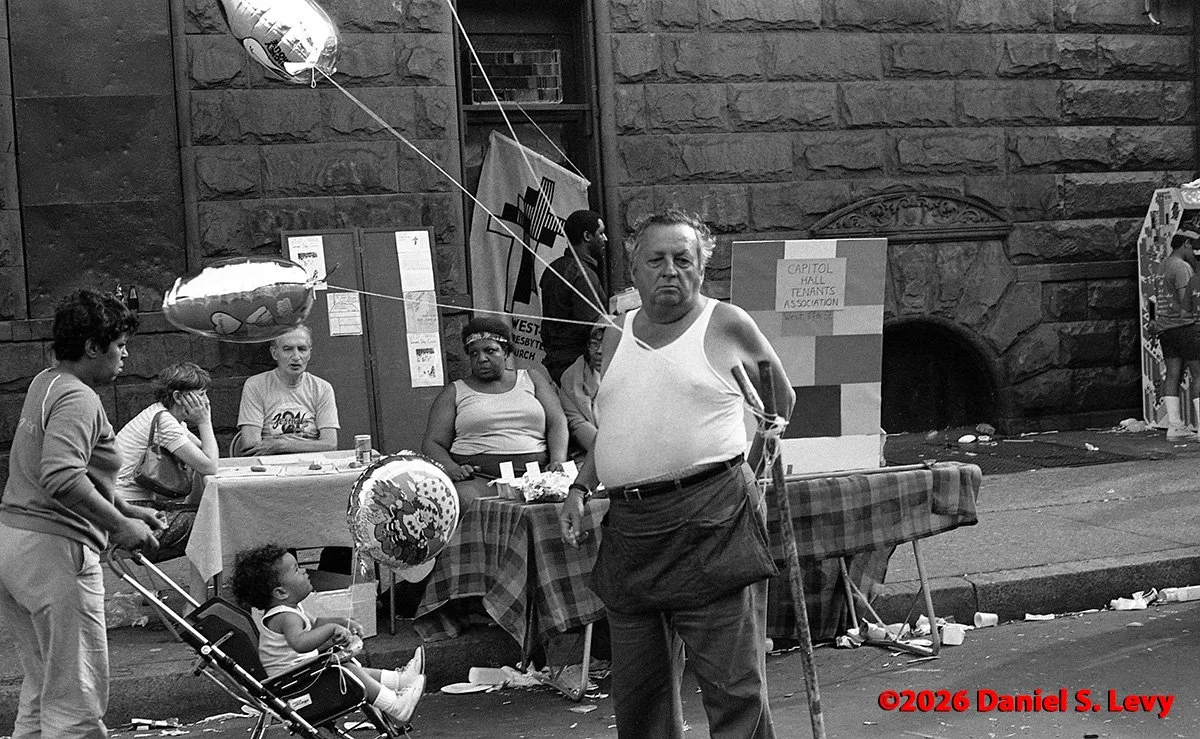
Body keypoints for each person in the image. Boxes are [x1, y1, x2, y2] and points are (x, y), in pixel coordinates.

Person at [559, 209, 794, 739]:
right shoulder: (616, 334)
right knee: (639, 692)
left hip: (711, 521)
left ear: (701, 269)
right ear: (635, 273)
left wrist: (751, 472)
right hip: (632, 531)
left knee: (732, 686)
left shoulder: (725, 322)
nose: (670, 270)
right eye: (656, 260)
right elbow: (615, 430)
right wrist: (580, 486)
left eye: (683, 260)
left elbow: (780, 404)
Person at [0, 288, 163, 737]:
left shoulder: (45, 382)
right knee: (75, 699)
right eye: (120, 345)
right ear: (93, 347)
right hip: (54, 551)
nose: (125, 355)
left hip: (15, 545)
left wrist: (126, 507)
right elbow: (61, 477)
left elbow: (71, 470)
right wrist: (121, 525)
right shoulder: (79, 398)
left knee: (43, 690)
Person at [229, 544, 426, 724]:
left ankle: (400, 680)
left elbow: (316, 623)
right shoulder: (284, 617)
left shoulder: (291, 609)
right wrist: (332, 630)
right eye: (297, 570)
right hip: (293, 685)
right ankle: (395, 705)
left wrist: (342, 622)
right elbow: (300, 643)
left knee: (346, 665)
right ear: (281, 593)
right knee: (345, 669)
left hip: (300, 675)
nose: (305, 572)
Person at [422, 317, 569, 507]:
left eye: (490, 350)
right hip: (479, 479)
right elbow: (432, 442)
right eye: (474, 353)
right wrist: (452, 468)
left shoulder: (531, 379)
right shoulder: (455, 391)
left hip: (534, 476)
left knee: (556, 505)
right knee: (468, 504)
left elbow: (558, 422)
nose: (481, 358)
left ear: (506, 352)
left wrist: (558, 460)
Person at [115, 362, 219, 563]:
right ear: (179, 397)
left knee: (206, 514)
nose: (206, 402)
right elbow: (210, 466)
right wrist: (205, 422)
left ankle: (203, 589)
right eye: (201, 394)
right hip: (131, 518)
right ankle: (203, 590)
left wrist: (203, 423)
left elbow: (203, 451)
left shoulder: (164, 415)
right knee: (214, 521)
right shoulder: (164, 422)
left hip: (131, 509)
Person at [236, 325, 339, 456]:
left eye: (302, 349)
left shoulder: (322, 388)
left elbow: (330, 444)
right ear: (274, 353)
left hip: (312, 465)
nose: (296, 357)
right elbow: (250, 445)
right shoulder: (256, 385)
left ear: (309, 353)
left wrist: (282, 445)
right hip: (270, 466)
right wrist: (307, 445)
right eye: (288, 349)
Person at [540, 209, 608, 384]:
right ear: (587, 236)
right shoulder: (583, 274)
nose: (605, 239)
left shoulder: (552, 268)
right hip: (576, 368)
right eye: (601, 233)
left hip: (554, 364)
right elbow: (592, 327)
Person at [1156, 228, 1200, 441]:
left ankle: (1175, 426)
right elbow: (1187, 300)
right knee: (1198, 373)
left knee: (1172, 374)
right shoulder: (1182, 267)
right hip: (1185, 327)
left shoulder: (1162, 265)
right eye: (1194, 246)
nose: (1195, 252)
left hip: (1166, 328)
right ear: (1186, 245)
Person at [557, 320, 605, 454]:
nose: (599, 351)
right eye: (594, 344)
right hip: (591, 451)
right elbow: (576, 422)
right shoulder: (572, 376)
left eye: (606, 344)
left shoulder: (635, 374)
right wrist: (604, 453)